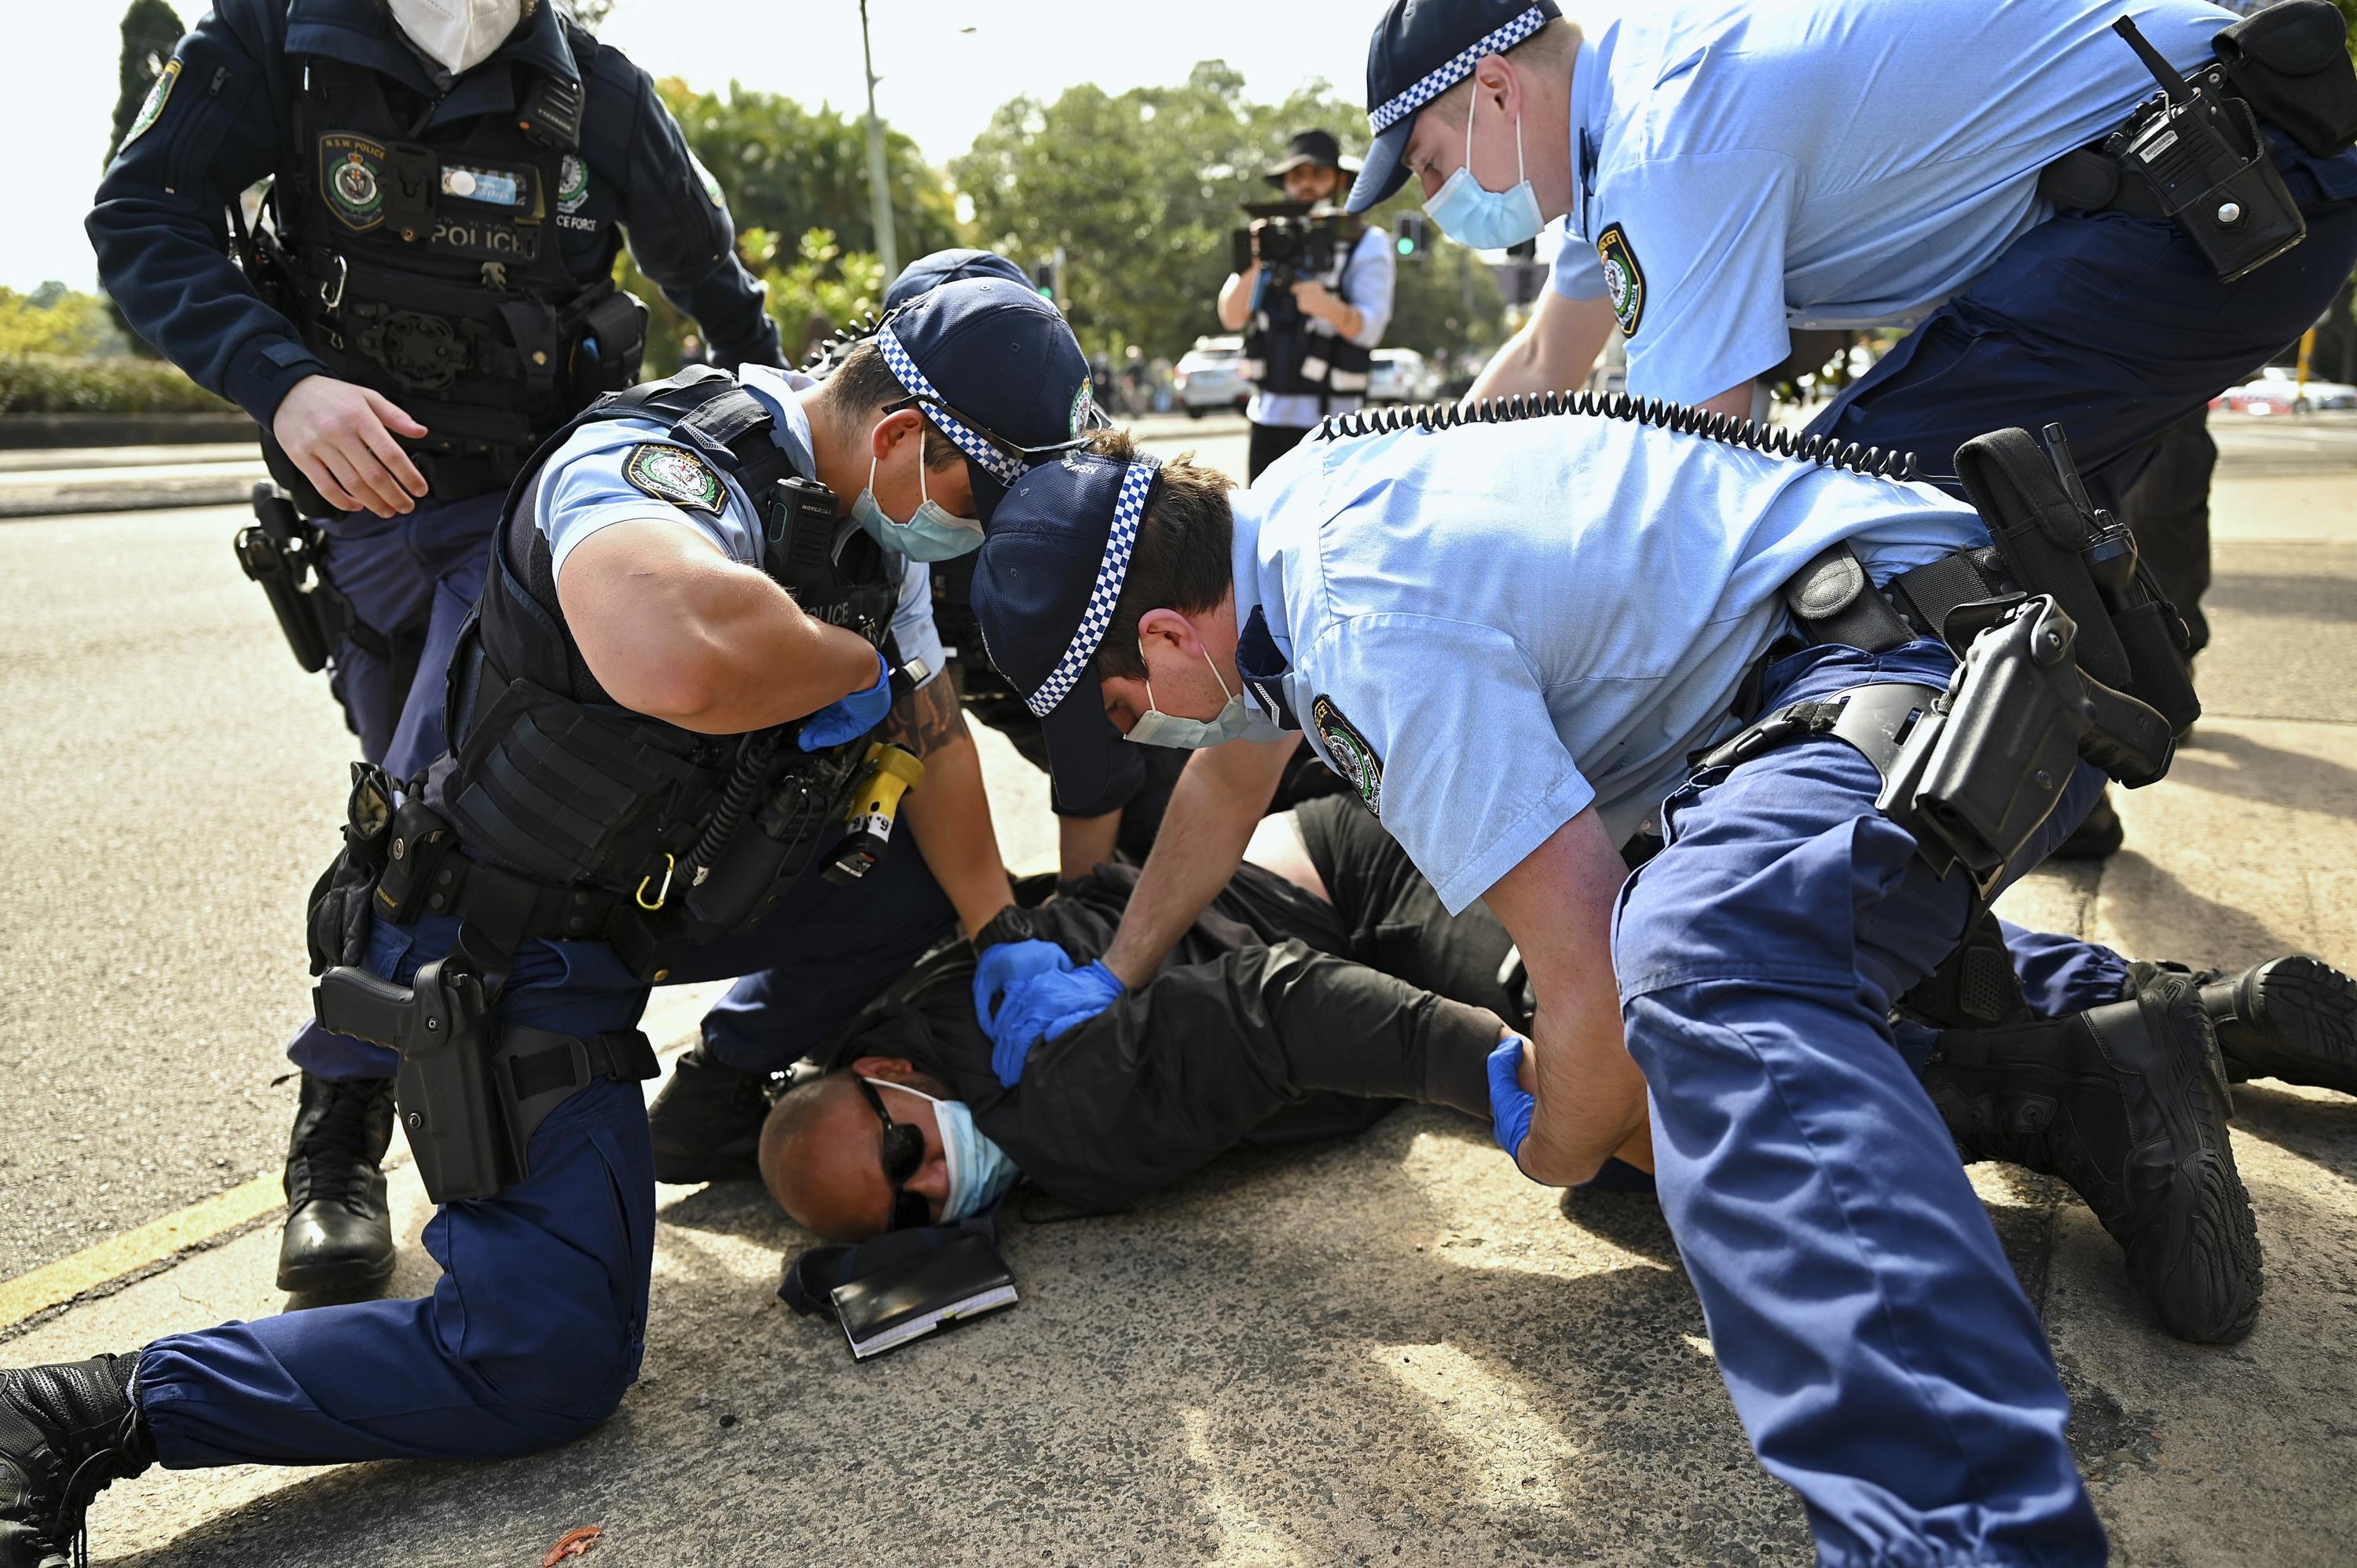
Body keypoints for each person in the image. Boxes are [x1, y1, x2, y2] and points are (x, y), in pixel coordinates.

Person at [959, 399, 2300, 1564]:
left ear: (1163, 634)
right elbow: (1230, 770)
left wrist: (1552, 1137)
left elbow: (1591, 977)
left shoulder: (1361, 623)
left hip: (1937, 666)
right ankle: (2109, 1049)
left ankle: (1962, 1533)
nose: (1150, 730)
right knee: (1662, 1096)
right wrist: (1120, 968)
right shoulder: (1288, 530)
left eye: (1127, 708)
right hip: (1867, 658)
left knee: (1701, 973)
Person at [0, 279, 1095, 1568]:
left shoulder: (878, 528)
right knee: (551, 1361)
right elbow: (668, 647)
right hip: (505, 941)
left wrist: (1002, 933)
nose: (985, 533)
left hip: (649, 901)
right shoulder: (660, 465)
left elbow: (938, 732)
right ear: (909, 441)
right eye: (990, 495)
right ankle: (77, 1410)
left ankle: (718, 1088)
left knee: (920, 881)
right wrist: (846, 666)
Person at [86, 0, 786, 1297]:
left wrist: (781, 460)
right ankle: (409, 1094)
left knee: (429, 822)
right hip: (353, 533)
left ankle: (337, 1139)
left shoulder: (600, 94)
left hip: (515, 536)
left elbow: (719, 294)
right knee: (389, 817)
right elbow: (141, 219)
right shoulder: (273, 38)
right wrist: (280, 379)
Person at [1359, 0, 2357, 855]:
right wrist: (1402, 499)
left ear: (1494, 89)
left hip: (2213, 182)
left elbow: (1698, 480)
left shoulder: (1665, 139)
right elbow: (1542, 364)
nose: (1437, 201)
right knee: (2013, 531)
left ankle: (1810, 880)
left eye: (1430, 167)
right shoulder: (1621, 116)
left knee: (1838, 542)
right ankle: (2041, 796)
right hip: (2215, 177)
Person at [766, 794, 2357, 1251]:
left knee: (1623, 1104)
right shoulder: (930, 1041)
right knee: (1687, 978)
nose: (934, 1187)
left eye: (904, 1154)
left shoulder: (1059, 1098)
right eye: (903, 1212)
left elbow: (1295, 1005)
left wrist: (1531, 1092)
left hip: (1369, 885)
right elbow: (766, 1118)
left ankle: (2065, 1081)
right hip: (1346, 850)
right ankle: (2204, 1013)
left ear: (890, 1072)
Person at [1218, 130, 1398, 481]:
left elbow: (1371, 328)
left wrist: (1327, 306)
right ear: (1284, 182)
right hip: (1267, 423)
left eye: (1318, 174)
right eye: (1297, 175)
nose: (1307, 185)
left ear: (1338, 181)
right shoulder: (1267, 238)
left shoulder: (1366, 242)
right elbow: (1231, 316)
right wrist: (1254, 262)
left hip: (1335, 427)